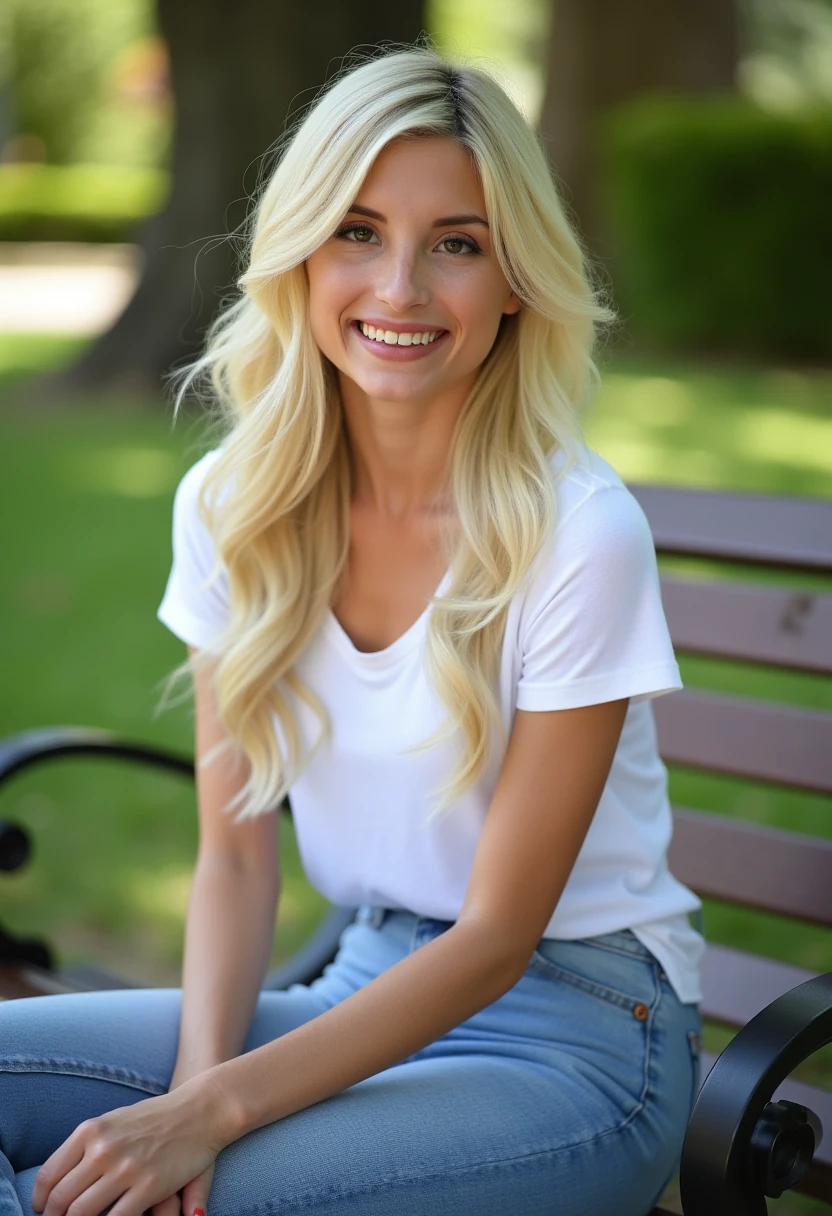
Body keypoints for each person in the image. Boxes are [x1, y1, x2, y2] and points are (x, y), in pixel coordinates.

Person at [0, 45, 704, 1216]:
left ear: (518, 275)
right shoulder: (235, 505)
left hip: (579, 1037)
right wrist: (190, 1089)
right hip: (360, 982)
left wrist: (209, 1119)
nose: (400, 289)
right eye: (357, 231)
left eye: (457, 244)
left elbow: (494, 936)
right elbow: (234, 854)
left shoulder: (579, 534)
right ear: (301, 253)